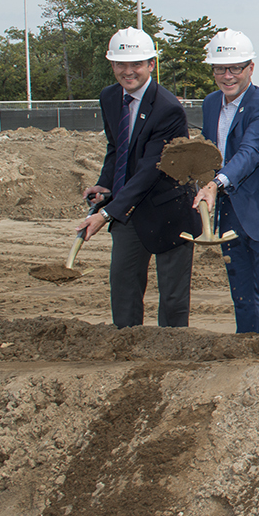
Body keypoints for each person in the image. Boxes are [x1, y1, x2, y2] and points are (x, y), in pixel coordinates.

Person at [77, 27, 198, 328]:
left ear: (151, 65)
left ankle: (172, 354)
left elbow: (151, 169)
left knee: (172, 298)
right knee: (124, 286)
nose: (128, 71)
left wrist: (105, 214)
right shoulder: (109, 97)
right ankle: (128, 350)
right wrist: (106, 182)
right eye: (121, 64)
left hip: (168, 209)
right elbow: (117, 147)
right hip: (128, 208)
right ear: (112, 65)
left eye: (136, 64)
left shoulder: (168, 109)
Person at [194, 29, 259, 347]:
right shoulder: (211, 104)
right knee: (240, 286)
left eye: (235, 67)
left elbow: (249, 153)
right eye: (221, 68)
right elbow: (214, 151)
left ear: (250, 68)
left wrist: (214, 183)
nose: (228, 75)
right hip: (229, 208)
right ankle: (247, 346)